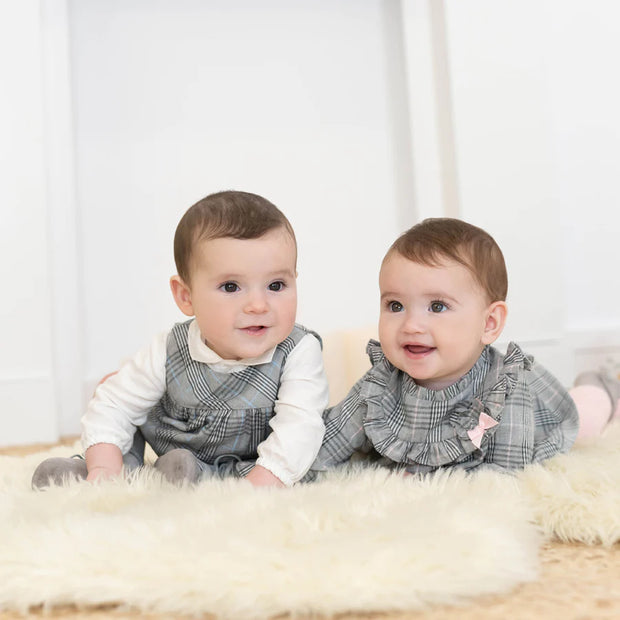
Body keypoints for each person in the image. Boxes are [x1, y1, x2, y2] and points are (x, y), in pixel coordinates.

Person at [33, 190, 329, 488]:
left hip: (246, 466)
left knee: (290, 447)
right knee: (114, 389)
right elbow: (115, 403)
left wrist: (264, 481)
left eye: (276, 285)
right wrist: (104, 463)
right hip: (170, 441)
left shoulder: (298, 350)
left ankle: (187, 473)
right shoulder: (170, 348)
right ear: (186, 296)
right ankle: (113, 468)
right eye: (230, 287)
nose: (258, 305)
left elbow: (300, 425)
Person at [311, 218, 619, 475]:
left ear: (489, 324)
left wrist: (427, 479)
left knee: (586, 420)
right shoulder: (380, 387)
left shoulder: (506, 393)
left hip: (543, 421)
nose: (411, 325)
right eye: (395, 305)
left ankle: (603, 385)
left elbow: (506, 475)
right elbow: (327, 443)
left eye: (437, 306)